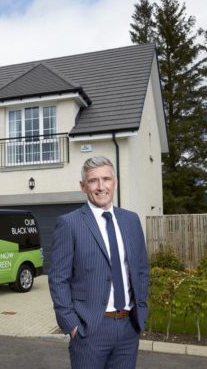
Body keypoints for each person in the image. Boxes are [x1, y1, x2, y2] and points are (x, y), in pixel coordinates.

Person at [48, 156, 149, 369]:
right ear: (83, 186)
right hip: (89, 329)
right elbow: (58, 278)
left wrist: (141, 311)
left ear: (115, 182)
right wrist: (72, 324)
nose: (101, 186)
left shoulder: (131, 220)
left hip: (128, 327)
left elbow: (141, 270)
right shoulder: (70, 223)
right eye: (93, 181)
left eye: (106, 179)